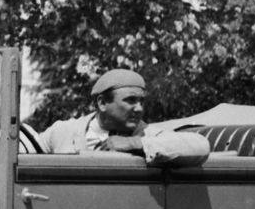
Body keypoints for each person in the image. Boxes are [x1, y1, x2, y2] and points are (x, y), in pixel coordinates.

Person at [37, 68, 210, 166]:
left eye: (142, 101)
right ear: (102, 103)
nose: (139, 108)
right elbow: (22, 156)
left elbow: (201, 146)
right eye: (131, 101)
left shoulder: (147, 134)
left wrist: (134, 144)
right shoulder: (64, 131)